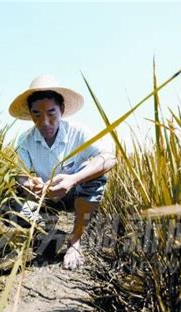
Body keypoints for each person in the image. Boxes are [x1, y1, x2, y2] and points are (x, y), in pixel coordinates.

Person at [9, 74, 116, 270]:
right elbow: (20, 178)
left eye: (51, 113)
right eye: (37, 115)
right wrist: (33, 186)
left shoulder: (79, 131)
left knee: (96, 177)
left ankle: (74, 241)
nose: (45, 122)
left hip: (76, 193)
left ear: (62, 110)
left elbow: (109, 158)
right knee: (10, 204)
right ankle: (49, 234)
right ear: (30, 114)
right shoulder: (25, 141)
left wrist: (73, 179)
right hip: (47, 198)